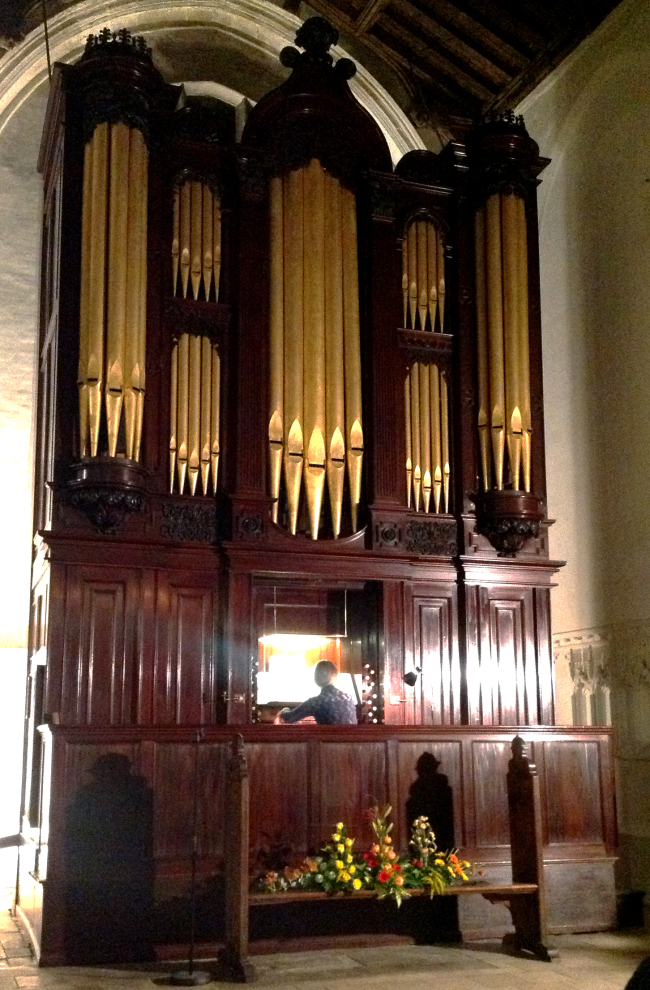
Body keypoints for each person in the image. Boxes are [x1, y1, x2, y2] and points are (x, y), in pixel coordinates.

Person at [276, 659, 357, 724]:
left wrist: (284, 710)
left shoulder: (316, 702)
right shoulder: (348, 697)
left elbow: (289, 718)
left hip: (328, 743)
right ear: (336, 676)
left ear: (316, 678)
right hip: (350, 742)